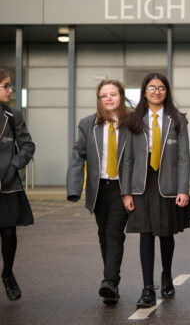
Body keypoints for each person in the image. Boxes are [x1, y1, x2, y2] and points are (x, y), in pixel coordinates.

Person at [123, 73, 190, 309]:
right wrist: (126, 191)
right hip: (142, 184)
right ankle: (147, 288)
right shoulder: (133, 121)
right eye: (152, 87)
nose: (157, 91)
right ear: (144, 91)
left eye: (162, 87)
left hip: (167, 184)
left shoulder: (177, 120)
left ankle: (167, 277)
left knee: (166, 233)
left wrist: (183, 189)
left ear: (167, 92)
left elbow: (184, 156)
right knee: (146, 234)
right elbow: (127, 159)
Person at [67, 79, 131, 305]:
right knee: (103, 234)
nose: (109, 98)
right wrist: (74, 188)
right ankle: (112, 283)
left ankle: (110, 281)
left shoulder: (132, 123)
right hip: (98, 189)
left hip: (122, 188)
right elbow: (78, 156)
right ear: (99, 99)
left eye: (113, 94)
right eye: (104, 95)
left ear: (121, 96)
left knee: (114, 232)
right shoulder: (87, 124)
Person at [0, 68, 35, 301]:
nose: (11, 90)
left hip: (8, 184)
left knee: (9, 233)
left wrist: (14, 165)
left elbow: (28, 146)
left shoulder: (14, 116)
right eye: (6, 86)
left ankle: (8, 274)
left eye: (10, 85)